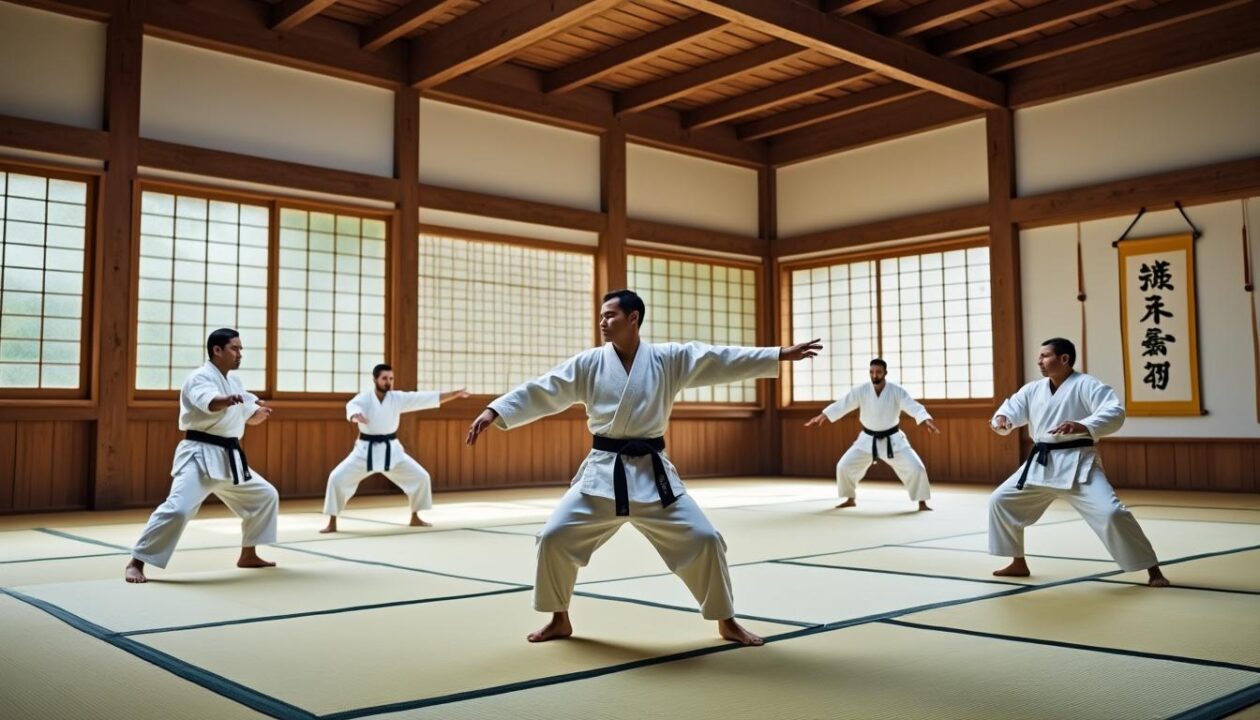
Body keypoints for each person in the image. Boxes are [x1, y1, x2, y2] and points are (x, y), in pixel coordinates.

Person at [466, 289, 822, 646]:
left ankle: (726, 621)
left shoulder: (668, 359)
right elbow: (545, 387)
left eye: (610, 315)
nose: (602, 322)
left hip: (654, 478)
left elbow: (719, 358)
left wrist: (778, 354)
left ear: (633, 318)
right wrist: (496, 410)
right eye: (601, 316)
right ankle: (559, 619)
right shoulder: (590, 363)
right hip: (603, 475)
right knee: (554, 537)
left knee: (706, 540)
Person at [988, 337, 1169, 586]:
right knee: (1001, 500)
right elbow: (1011, 409)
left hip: (1078, 463)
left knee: (1111, 513)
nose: (1039, 361)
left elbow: (1114, 412)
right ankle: (1018, 562)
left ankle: (1152, 569)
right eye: (1039, 356)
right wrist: (1002, 419)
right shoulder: (1033, 389)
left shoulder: (1087, 384)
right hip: (1041, 463)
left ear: (1064, 359)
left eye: (1045, 356)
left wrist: (1083, 425)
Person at [125, 329, 278, 583]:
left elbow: (246, 415)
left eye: (241, 349)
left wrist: (257, 414)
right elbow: (211, 402)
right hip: (199, 455)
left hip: (229, 457)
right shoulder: (199, 378)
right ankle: (136, 561)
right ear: (217, 350)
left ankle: (248, 554)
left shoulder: (235, 382)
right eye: (234, 348)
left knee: (264, 496)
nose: (240, 354)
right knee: (178, 509)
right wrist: (226, 400)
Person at [321, 364, 468, 533]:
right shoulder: (364, 398)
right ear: (375, 379)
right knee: (337, 478)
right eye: (384, 378)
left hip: (392, 452)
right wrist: (355, 416)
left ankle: (415, 517)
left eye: (391, 378)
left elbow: (423, 398)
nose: (388, 382)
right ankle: (332, 522)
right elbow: (352, 406)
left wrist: (454, 394)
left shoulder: (397, 398)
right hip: (365, 452)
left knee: (421, 477)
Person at [805, 358, 940, 510]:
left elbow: (913, 406)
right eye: (872, 372)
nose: (874, 375)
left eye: (878, 372)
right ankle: (850, 498)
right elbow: (843, 404)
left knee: (916, 468)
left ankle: (922, 502)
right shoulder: (861, 391)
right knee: (844, 466)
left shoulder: (896, 391)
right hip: (867, 440)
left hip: (893, 440)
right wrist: (823, 415)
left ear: (885, 373)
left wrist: (925, 420)